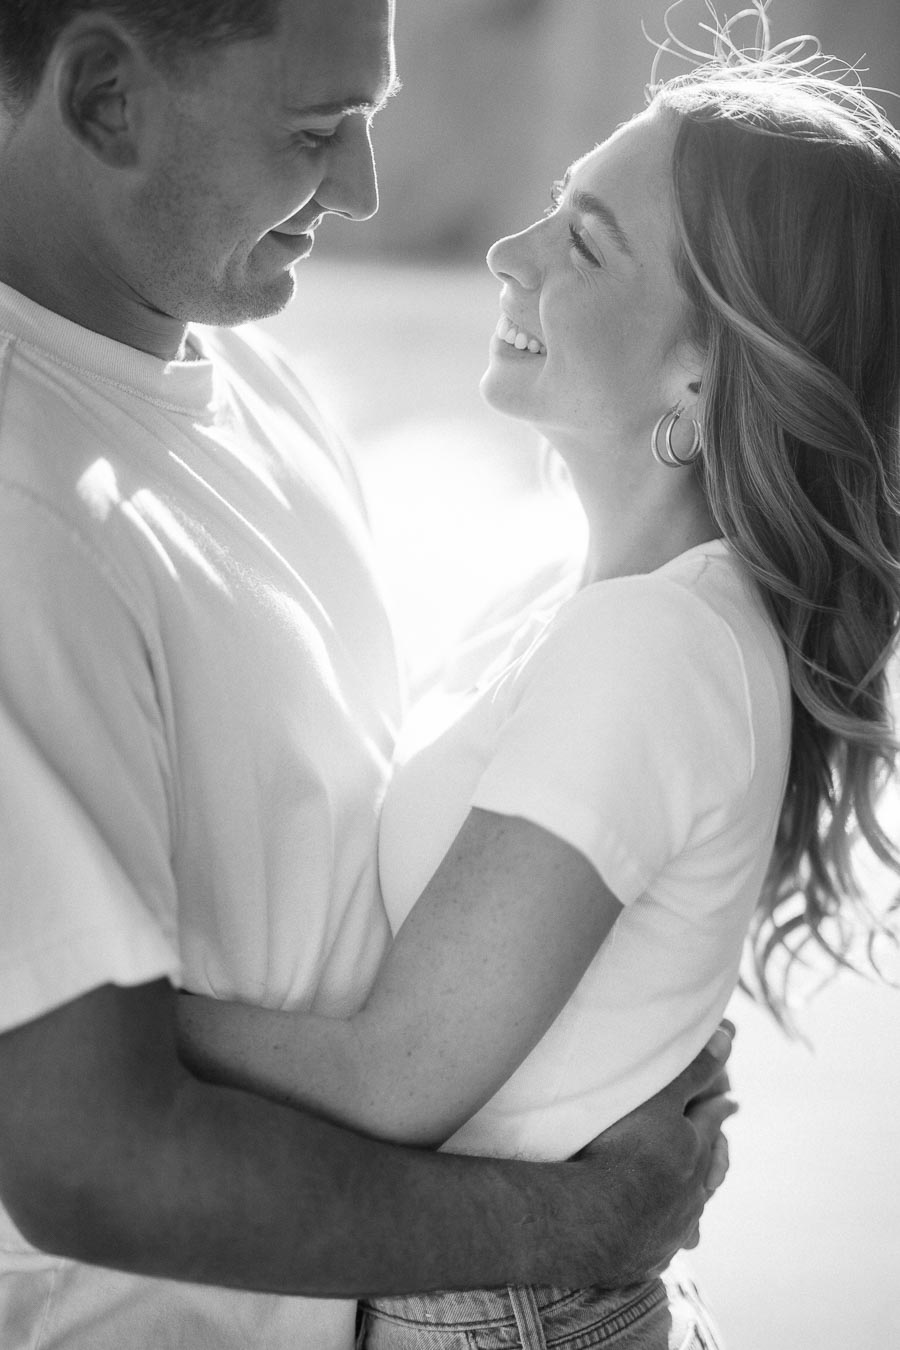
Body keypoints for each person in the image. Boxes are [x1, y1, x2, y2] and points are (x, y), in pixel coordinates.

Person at [0, 2, 737, 1348]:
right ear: (106, 97)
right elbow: (83, 1155)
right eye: (316, 130)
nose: (363, 189)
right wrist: (584, 1221)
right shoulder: (24, 513)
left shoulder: (245, 374)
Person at [176, 10, 900, 1349]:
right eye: (556, 207)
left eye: (586, 242)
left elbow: (398, 1077)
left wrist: (81, 1019)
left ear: (703, 379)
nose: (510, 253)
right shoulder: (600, 600)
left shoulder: (654, 649)